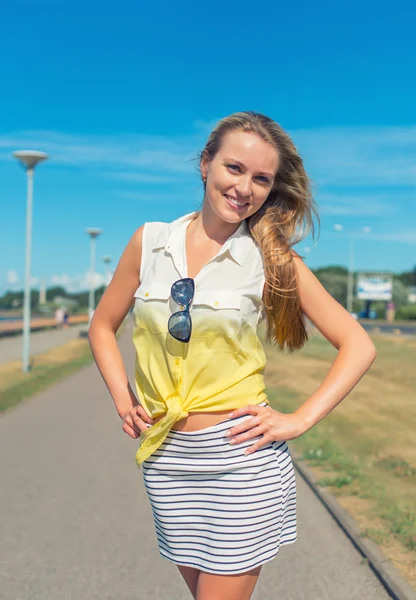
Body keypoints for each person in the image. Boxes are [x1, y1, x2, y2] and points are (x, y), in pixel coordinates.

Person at [88, 111, 377, 600]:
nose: (245, 187)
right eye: (235, 168)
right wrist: (122, 396)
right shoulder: (150, 242)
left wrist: (299, 420)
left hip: (242, 461)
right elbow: (101, 324)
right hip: (167, 461)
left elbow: (358, 343)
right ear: (206, 164)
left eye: (261, 178)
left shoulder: (272, 258)